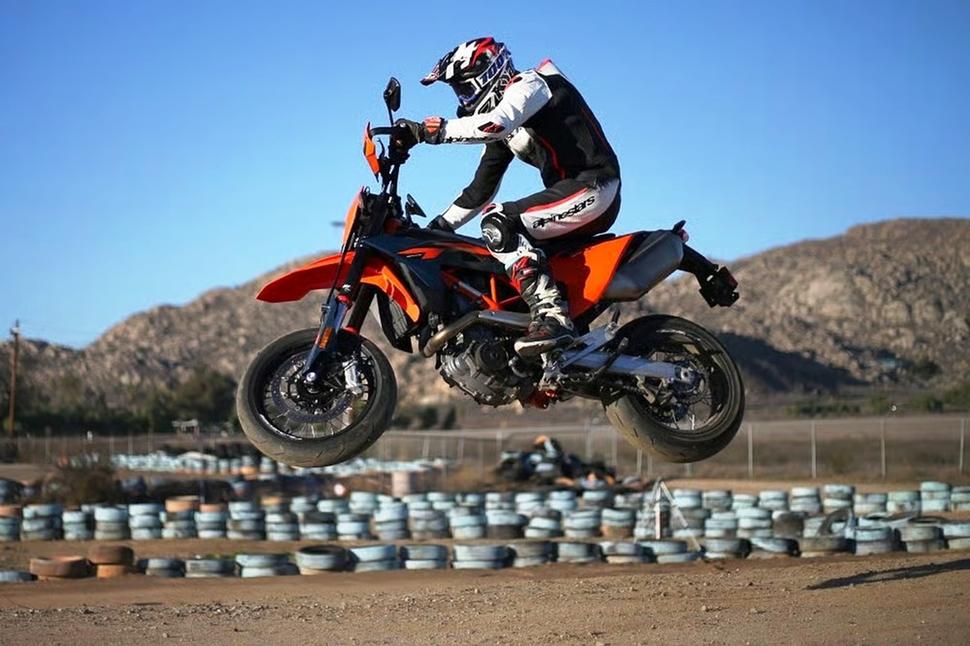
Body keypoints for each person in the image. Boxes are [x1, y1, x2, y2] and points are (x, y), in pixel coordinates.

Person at [396, 37, 621, 357]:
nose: (462, 99)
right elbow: (480, 189)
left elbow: (494, 124)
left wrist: (428, 131)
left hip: (595, 186)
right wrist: (437, 228)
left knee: (498, 222)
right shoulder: (510, 123)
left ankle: (553, 317)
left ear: (490, 72)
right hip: (570, 195)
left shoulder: (531, 85)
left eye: (464, 89)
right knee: (492, 254)